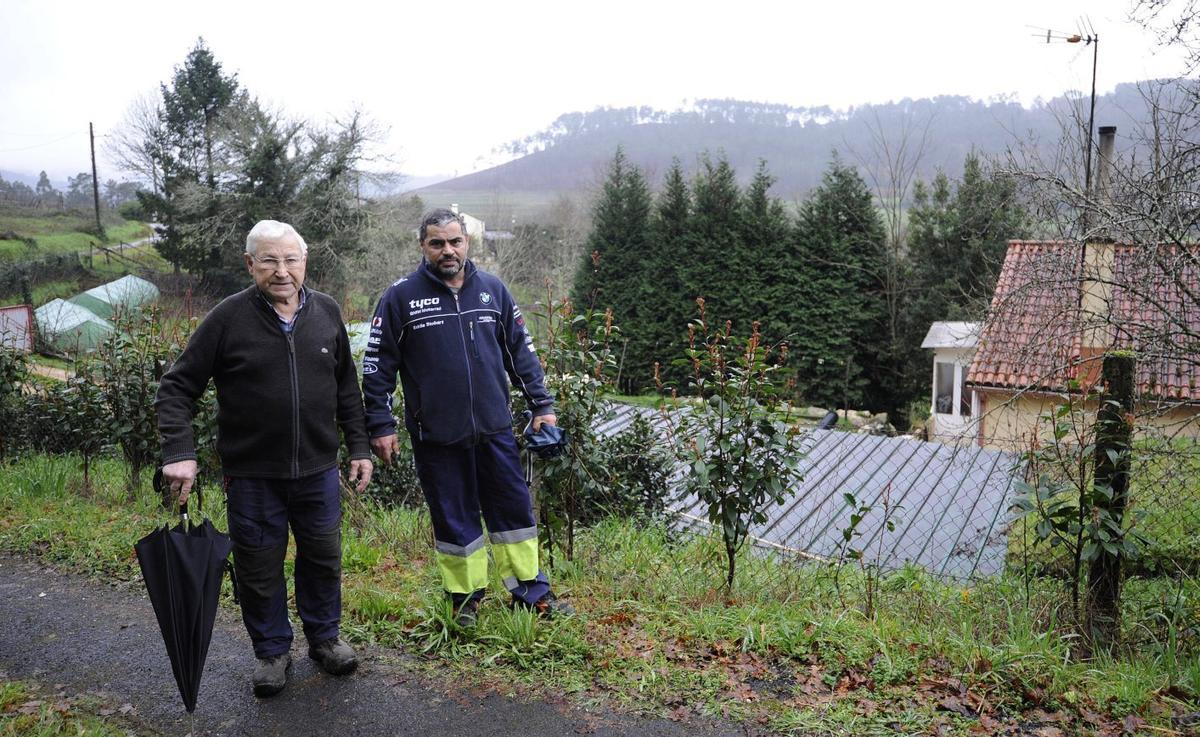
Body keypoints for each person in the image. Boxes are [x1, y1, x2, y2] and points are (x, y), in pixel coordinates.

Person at [155, 219, 373, 698]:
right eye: (269, 261)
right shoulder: (228, 318)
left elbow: (346, 388)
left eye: (290, 260)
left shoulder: (327, 313)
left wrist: (358, 446)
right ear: (250, 264)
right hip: (252, 475)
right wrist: (179, 452)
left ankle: (324, 639)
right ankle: (272, 651)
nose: (281, 271)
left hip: (317, 471)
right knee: (257, 566)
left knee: (323, 559)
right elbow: (177, 387)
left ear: (304, 263)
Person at [363, 207, 573, 627]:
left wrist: (542, 407)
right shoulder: (400, 297)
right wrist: (380, 425)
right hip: (436, 435)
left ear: (467, 242)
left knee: (514, 514)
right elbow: (377, 365)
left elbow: (523, 355)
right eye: (437, 243)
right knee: (454, 519)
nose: (447, 250)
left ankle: (531, 593)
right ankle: (464, 601)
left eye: (455, 241)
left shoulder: (494, 291)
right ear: (423, 246)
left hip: (494, 430)